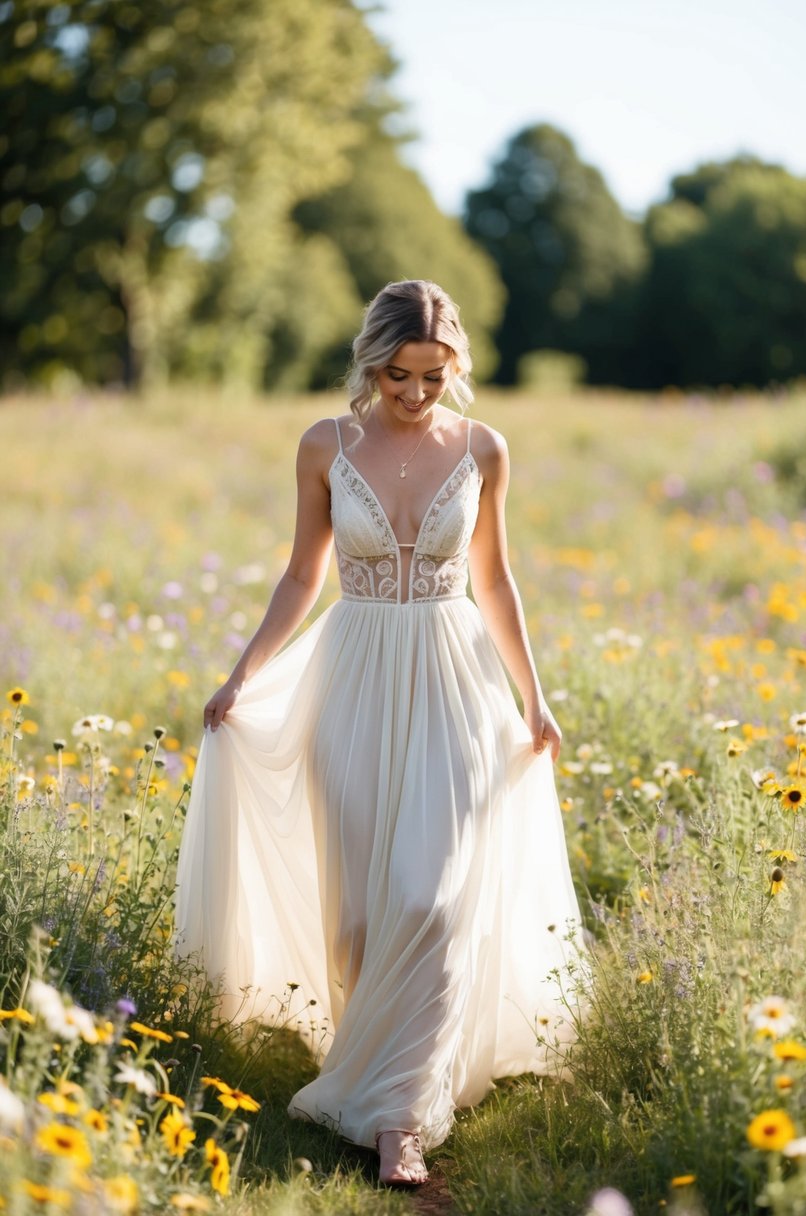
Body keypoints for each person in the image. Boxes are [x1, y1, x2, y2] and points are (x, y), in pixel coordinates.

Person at [174, 279, 586, 1187]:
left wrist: (535, 697)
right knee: (358, 910)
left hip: (454, 683)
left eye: (433, 377)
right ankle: (369, 1064)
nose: (413, 393)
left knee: (430, 898)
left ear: (456, 368)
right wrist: (241, 674)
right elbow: (299, 577)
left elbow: (497, 583)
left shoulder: (484, 449)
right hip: (351, 678)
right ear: (370, 363)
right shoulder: (326, 445)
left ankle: (401, 1117)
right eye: (398, 374)